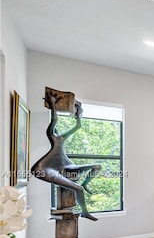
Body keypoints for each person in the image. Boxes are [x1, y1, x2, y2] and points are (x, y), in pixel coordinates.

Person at [30, 88, 102, 221]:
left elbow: (77, 127)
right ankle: (85, 212)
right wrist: (52, 105)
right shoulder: (52, 136)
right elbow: (54, 120)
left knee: (97, 166)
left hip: (66, 165)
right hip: (46, 168)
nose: (56, 129)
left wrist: (79, 115)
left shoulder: (62, 138)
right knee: (78, 189)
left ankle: (86, 183)